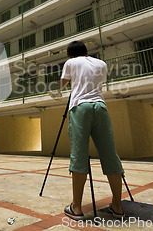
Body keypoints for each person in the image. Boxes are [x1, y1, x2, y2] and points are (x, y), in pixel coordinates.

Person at [60, 40, 124, 220]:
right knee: (110, 154)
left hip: (80, 107)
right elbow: (96, 81)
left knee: (79, 154)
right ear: (86, 51)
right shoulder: (101, 63)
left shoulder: (71, 62)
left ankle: (77, 207)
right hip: (100, 107)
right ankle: (118, 206)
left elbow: (63, 84)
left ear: (71, 54)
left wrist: (69, 82)